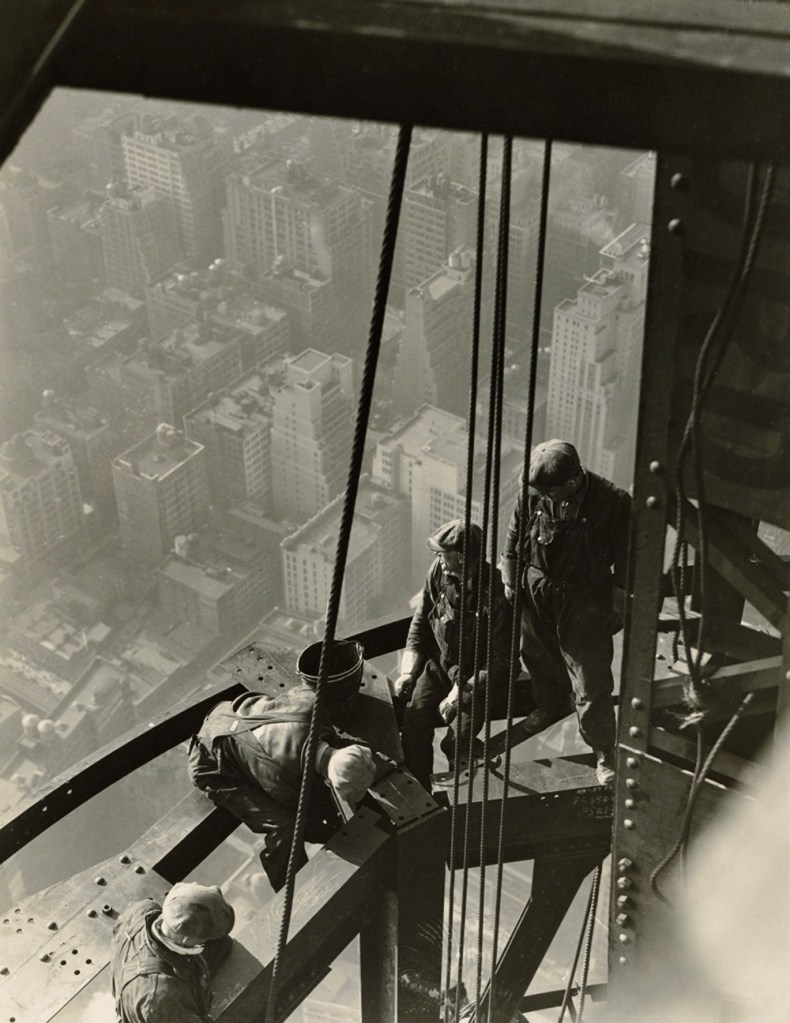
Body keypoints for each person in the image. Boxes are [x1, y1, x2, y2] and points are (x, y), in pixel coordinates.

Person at [187, 641, 377, 893]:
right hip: (211, 758)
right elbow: (300, 809)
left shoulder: (311, 705)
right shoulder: (283, 779)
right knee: (284, 826)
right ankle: (294, 892)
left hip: (228, 711)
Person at [500, 439, 631, 785]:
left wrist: (617, 604)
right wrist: (511, 579)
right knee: (538, 656)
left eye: (549, 491)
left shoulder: (612, 502)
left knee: (590, 680)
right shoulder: (535, 492)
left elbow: (627, 561)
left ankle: (604, 750)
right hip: (538, 589)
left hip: (583, 600)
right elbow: (515, 535)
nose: (542, 497)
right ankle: (551, 704)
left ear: (571, 483)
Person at [393, 519, 512, 790]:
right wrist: (408, 673)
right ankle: (421, 793)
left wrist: (458, 696)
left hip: (475, 679)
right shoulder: (438, 571)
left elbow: (501, 659)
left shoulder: (496, 593)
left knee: (457, 743)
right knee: (413, 723)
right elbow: (421, 621)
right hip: (440, 667)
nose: (438, 558)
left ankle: (454, 802)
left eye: (442, 553)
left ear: (460, 556)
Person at [111, 881, 234, 1023]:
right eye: (204, 938)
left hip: (141, 989)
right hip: (156, 1008)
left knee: (222, 944)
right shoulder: (164, 999)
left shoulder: (143, 909)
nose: (206, 941)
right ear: (186, 940)